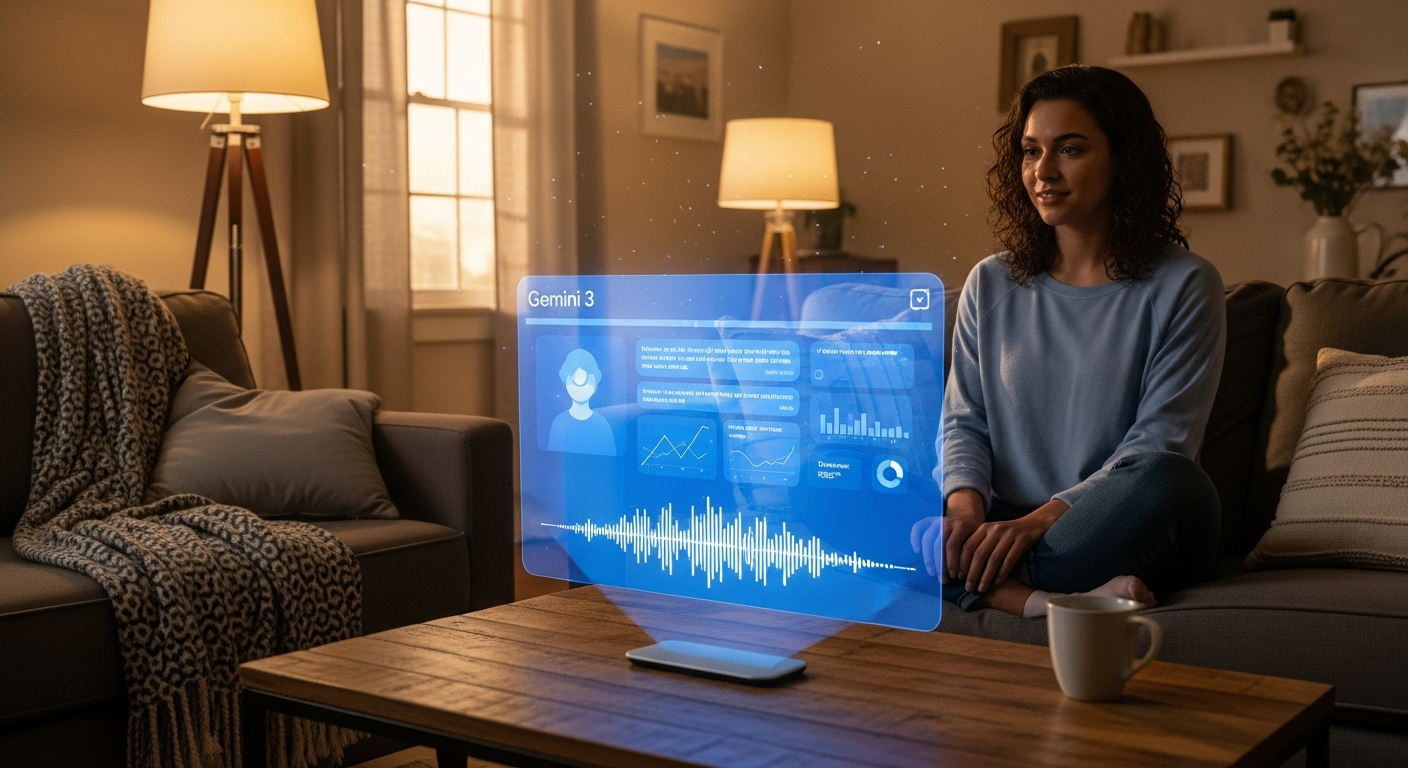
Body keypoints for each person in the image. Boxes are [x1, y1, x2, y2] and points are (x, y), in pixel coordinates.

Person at [911, 65, 1226, 618]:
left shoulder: (1185, 284)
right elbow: (964, 421)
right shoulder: (990, 281)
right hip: (1002, 523)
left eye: (1070, 150)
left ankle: (977, 582)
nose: (1043, 171)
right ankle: (1043, 602)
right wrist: (962, 516)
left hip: (1103, 528)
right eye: (1031, 151)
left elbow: (1158, 444)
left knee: (1172, 480)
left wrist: (1035, 524)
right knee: (842, 495)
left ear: (1123, 159)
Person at [548, 348, 619, 456]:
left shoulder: (603, 425)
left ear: (595, 385)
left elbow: (612, 463)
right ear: (564, 383)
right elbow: (551, 461)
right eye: (573, 378)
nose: (580, 385)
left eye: (586, 379)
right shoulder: (559, 423)